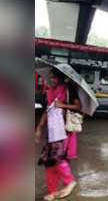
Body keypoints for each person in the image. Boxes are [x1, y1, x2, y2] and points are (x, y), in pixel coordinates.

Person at [35, 69, 81, 201]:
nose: (52, 80)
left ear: (61, 78)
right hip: (52, 132)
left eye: (55, 77)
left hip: (63, 132)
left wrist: (62, 105)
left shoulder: (69, 90)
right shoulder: (49, 92)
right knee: (48, 162)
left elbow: (78, 107)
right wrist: (39, 128)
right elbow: (46, 111)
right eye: (52, 77)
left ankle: (70, 181)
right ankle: (52, 191)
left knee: (57, 158)